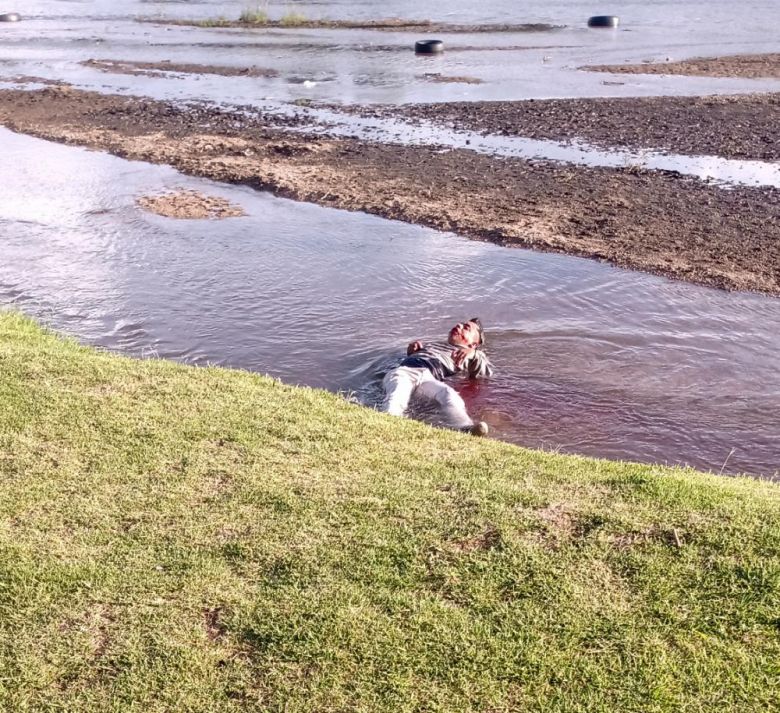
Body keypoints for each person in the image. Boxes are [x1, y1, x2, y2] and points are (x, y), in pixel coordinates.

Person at [381, 318, 492, 436]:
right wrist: (411, 353)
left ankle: (465, 428)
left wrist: (474, 353)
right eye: (460, 324)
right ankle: (389, 420)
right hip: (405, 371)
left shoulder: (470, 355)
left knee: (449, 394)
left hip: (428, 378)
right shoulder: (433, 345)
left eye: (466, 328)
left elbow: (485, 373)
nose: (459, 325)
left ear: (473, 344)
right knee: (398, 390)